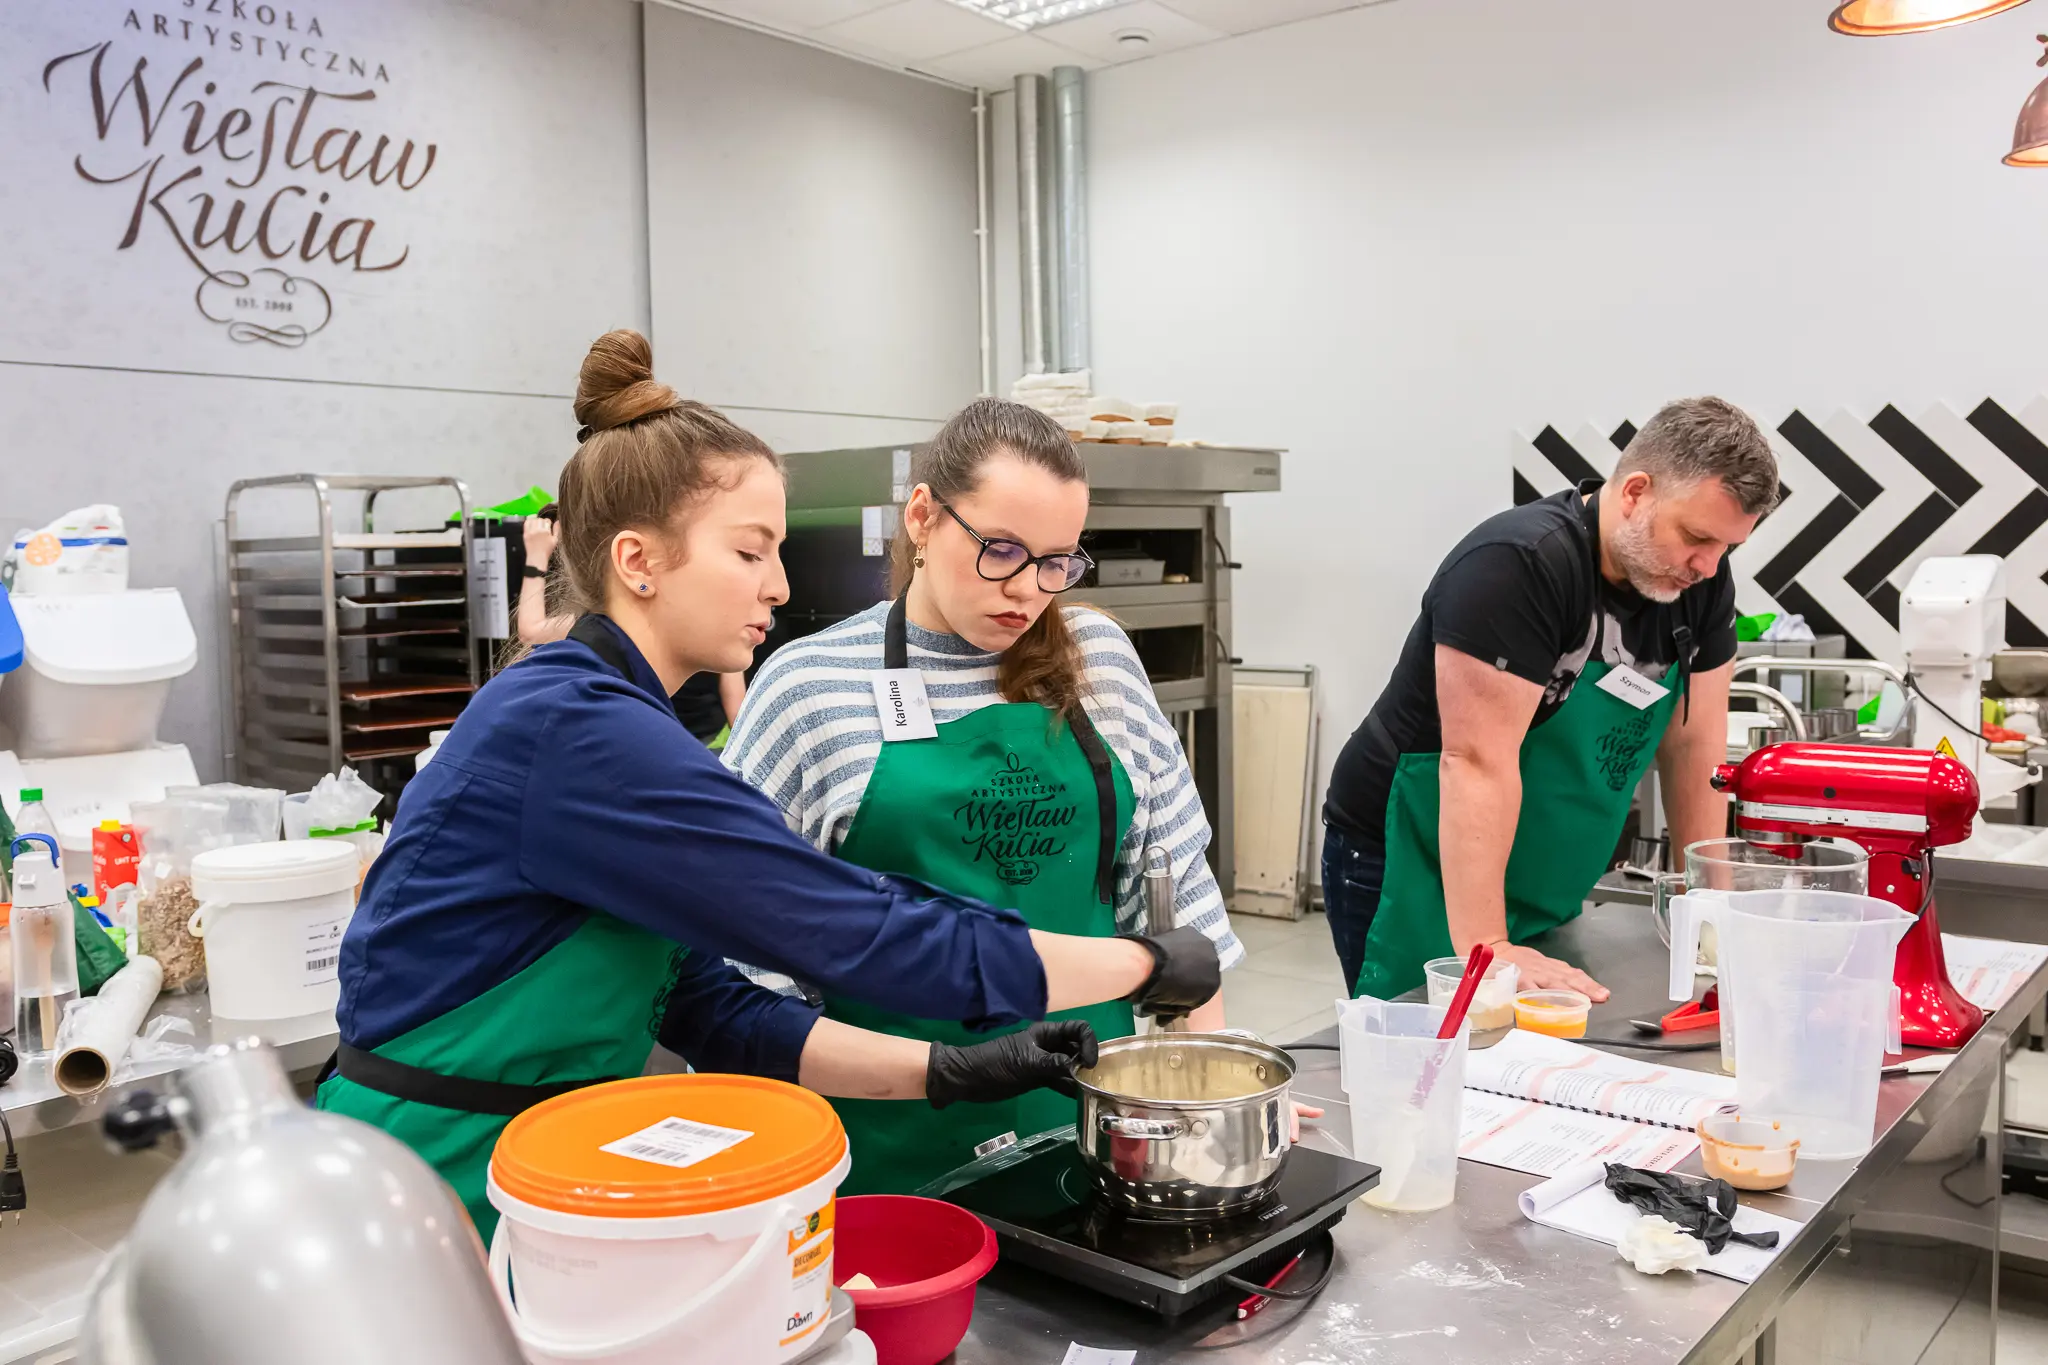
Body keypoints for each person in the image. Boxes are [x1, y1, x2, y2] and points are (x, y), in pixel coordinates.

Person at [317, 332, 1220, 1238]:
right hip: (428, 1176)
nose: (780, 585)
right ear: (638, 562)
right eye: (751, 553)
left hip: (526, 1168)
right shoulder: (578, 732)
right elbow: (851, 925)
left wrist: (946, 1070)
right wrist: (1142, 962)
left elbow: (713, 1009)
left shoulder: (618, 720)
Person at [723, 398, 1313, 1197]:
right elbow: (746, 960)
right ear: (924, 517)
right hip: (887, 1150)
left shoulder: (1098, 658)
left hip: (1095, 1128)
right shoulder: (808, 688)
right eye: (1000, 550)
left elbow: (1176, 908)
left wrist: (1211, 1101)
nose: (1029, 590)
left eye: (1057, 562)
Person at [1321, 396, 1778, 1002]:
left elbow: (1695, 745)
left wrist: (1712, 907)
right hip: (1412, 854)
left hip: (1531, 869)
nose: (1707, 565)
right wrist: (1489, 947)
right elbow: (1477, 763)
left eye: (1727, 547)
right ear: (1635, 492)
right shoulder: (1520, 565)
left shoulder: (1701, 582)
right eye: (1695, 537)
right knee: (1427, 1058)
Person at [520, 507, 744, 748]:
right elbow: (737, 710)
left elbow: (531, 631)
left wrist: (535, 559)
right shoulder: (711, 613)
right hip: (705, 748)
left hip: (660, 747)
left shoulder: (613, 619)